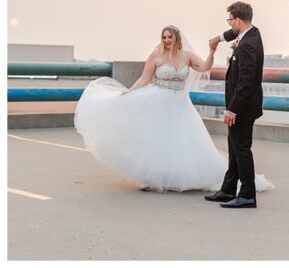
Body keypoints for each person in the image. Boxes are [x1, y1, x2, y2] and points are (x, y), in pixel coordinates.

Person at [74, 24, 274, 195]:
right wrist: (129, 92)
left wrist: (212, 52)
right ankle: (146, 176)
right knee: (154, 140)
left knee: (179, 142)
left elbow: (204, 67)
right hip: (157, 100)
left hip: (179, 104)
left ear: (177, 38)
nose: (167, 40)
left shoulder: (187, 56)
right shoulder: (155, 56)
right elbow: (144, 78)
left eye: (170, 37)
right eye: (164, 37)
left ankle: (179, 176)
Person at [204, 1, 267, 209]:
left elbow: (246, 82)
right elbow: (231, 35)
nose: (229, 24)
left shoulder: (248, 45)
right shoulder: (251, 33)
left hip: (242, 107)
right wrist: (218, 39)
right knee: (234, 147)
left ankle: (248, 194)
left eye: (230, 20)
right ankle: (229, 189)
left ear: (238, 20)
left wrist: (233, 109)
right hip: (242, 106)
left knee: (242, 149)